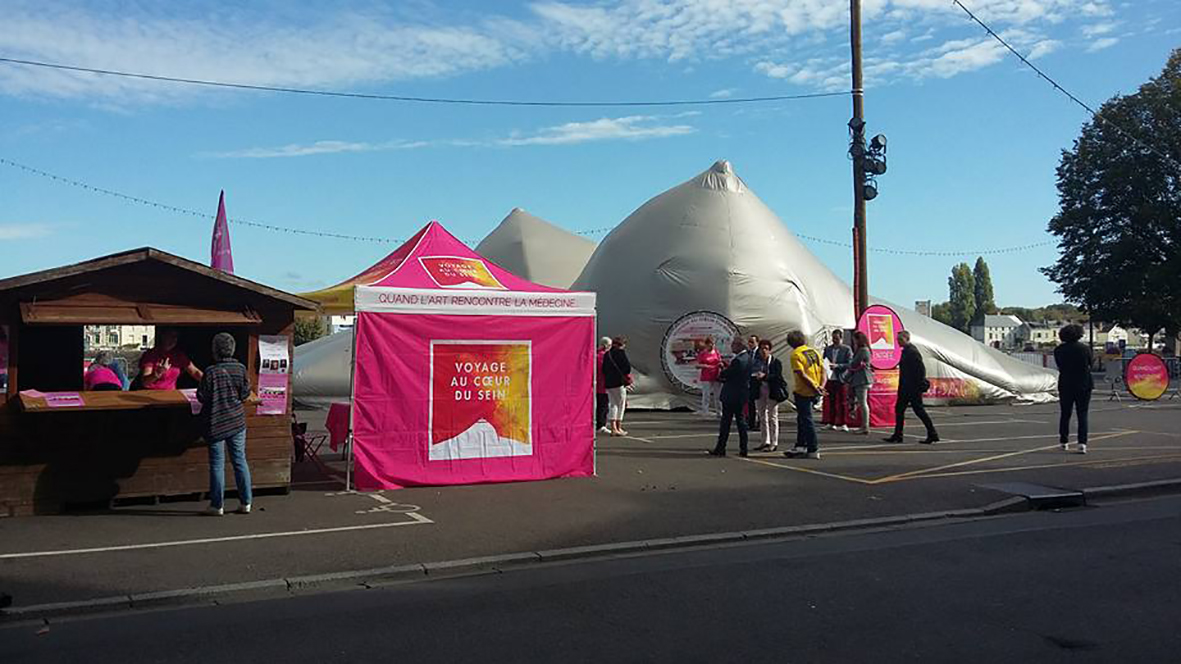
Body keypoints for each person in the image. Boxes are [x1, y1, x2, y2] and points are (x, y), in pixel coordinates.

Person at [197, 332, 253, 516]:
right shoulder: (241, 369)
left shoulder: (210, 372)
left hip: (216, 422)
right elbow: (245, 394)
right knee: (239, 461)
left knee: (217, 464)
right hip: (237, 421)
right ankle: (246, 502)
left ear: (215, 350)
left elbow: (201, 396)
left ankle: (217, 505)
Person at [883, 331, 939, 444]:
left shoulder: (912, 352)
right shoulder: (906, 351)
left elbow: (920, 370)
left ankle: (932, 433)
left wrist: (918, 384)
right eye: (897, 339)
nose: (898, 341)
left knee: (919, 411)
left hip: (912, 388)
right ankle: (898, 435)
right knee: (900, 410)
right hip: (905, 387)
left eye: (900, 339)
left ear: (907, 339)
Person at [784, 331, 825, 459]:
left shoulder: (796, 354)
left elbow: (801, 374)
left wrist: (813, 386)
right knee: (802, 419)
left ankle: (813, 448)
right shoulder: (814, 352)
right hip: (815, 389)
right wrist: (821, 386)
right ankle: (800, 445)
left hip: (804, 390)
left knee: (807, 419)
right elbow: (824, 371)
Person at [710, 338, 754, 457]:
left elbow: (728, 374)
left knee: (726, 422)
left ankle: (721, 447)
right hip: (741, 393)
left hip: (732, 394)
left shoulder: (738, 360)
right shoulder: (749, 358)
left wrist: (723, 370)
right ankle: (743, 448)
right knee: (741, 421)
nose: (732, 347)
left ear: (739, 346)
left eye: (733, 345)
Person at [1054, 324, 1094, 454]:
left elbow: (1060, 365)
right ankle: (1082, 443)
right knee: (1082, 413)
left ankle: (1063, 441)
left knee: (1065, 413)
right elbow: (1090, 364)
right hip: (1083, 383)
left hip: (1066, 383)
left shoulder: (1059, 350)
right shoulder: (1085, 349)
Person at [755, 339, 786, 452]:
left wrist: (765, 376)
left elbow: (777, 377)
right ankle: (765, 441)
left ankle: (774, 442)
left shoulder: (775, 362)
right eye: (762, 348)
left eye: (766, 349)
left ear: (770, 350)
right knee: (762, 415)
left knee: (772, 416)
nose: (763, 351)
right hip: (760, 389)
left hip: (772, 390)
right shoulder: (756, 362)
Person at [821, 330, 853, 431]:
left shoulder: (846, 349)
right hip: (830, 378)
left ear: (841, 338)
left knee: (843, 401)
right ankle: (831, 422)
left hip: (841, 378)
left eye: (837, 338)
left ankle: (844, 423)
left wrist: (838, 366)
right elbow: (824, 361)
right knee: (831, 401)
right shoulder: (828, 349)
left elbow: (850, 364)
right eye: (833, 338)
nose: (834, 340)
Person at [602, 336, 632, 437]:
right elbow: (627, 367)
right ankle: (618, 427)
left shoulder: (607, 354)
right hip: (619, 382)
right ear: (621, 344)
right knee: (620, 404)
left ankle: (613, 428)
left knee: (612, 404)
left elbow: (603, 369)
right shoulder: (620, 353)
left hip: (608, 382)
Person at [847, 331, 874, 435]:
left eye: (854, 339)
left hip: (862, 379)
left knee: (862, 403)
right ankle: (864, 425)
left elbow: (854, 363)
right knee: (862, 402)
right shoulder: (865, 349)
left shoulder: (863, 350)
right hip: (863, 378)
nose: (853, 341)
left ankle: (865, 426)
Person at [696, 336, 722, 416]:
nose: (712, 346)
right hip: (706, 376)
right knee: (706, 394)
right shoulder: (703, 353)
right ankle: (705, 411)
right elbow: (697, 365)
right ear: (707, 345)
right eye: (711, 344)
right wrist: (706, 366)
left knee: (717, 395)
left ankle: (719, 411)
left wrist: (721, 364)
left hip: (716, 376)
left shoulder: (717, 352)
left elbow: (720, 361)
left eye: (713, 344)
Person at [595, 336, 612, 434]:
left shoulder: (597, 354)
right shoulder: (603, 356)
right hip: (603, 384)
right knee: (603, 405)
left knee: (602, 405)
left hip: (599, 384)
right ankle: (601, 425)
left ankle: (601, 424)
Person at [745, 334, 761, 431]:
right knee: (750, 402)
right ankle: (751, 423)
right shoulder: (747, 353)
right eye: (749, 342)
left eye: (752, 342)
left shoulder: (760, 353)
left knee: (759, 403)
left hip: (758, 379)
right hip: (749, 379)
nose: (750, 344)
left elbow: (760, 365)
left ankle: (760, 422)